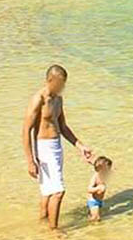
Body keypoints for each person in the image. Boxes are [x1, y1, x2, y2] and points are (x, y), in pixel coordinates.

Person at [21, 64, 95, 231]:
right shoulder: (38, 99)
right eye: (60, 83)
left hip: (56, 147)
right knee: (58, 191)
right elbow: (26, 130)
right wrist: (30, 160)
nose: (62, 87)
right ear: (50, 80)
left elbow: (62, 127)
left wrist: (80, 145)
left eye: (64, 84)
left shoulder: (58, 100)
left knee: (48, 191)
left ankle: (42, 222)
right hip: (43, 147)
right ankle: (54, 231)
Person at [86, 156, 113, 222]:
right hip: (93, 201)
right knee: (97, 218)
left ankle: (90, 218)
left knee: (95, 216)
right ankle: (91, 228)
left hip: (99, 201)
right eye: (107, 169)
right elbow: (89, 189)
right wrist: (98, 188)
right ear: (101, 169)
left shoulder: (103, 175)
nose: (108, 171)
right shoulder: (95, 177)